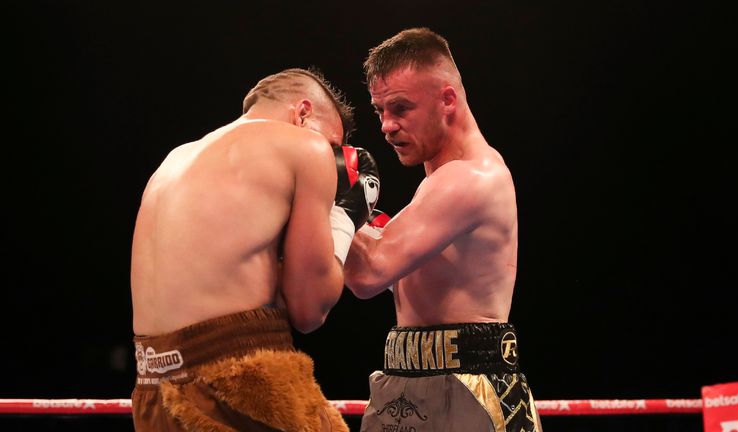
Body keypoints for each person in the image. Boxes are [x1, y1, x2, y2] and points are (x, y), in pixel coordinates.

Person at [130, 67, 379, 432]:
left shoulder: (174, 161)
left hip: (153, 392)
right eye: (331, 145)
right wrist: (343, 218)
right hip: (238, 383)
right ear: (303, 113)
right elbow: (309, 310)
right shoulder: (304, 148)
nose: (332, 158)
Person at [343, 28, 543, 432]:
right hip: (405, 378)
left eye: (400, 108)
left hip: (468, 388)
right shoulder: (437, 185)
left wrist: (322, 196)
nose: (386, 126)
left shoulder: (472, 178)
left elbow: (367, 273)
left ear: (447, 99)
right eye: (380, 110)